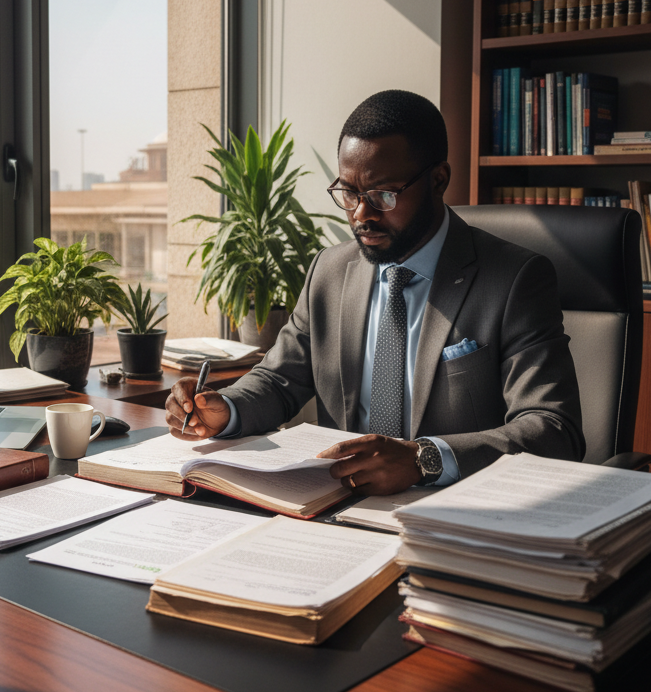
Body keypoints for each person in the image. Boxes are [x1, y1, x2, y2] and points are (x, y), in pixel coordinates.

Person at [165, 89, 584, 495]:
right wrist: (226, 409)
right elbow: (279, 379)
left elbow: (553, 428)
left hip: (453, 510)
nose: (361, 214)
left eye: (383, 194)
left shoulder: (514, 279)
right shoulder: (329, 270)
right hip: (333, 501)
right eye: (349, 192)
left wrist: (423, 460)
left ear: (439, 180)